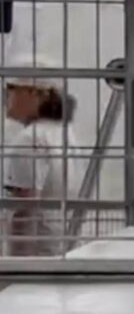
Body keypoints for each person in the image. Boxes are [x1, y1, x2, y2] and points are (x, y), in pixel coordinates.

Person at [2, 55, 84, 256]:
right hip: (62, 249)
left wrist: (17, 269)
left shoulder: (30, 139)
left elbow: (25, 208)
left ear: (35, 94)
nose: (6, 96)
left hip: (35, 255)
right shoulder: (64, 133)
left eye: (13, 89)